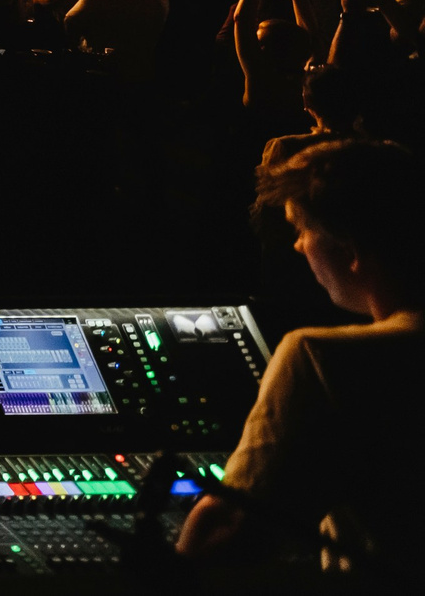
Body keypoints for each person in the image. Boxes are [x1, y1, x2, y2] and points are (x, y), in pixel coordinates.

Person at [178, 140, 425, 575]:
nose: (297, 247)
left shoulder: (319, 358)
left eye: (301, 230)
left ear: (349, 249)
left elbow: (227, 537)